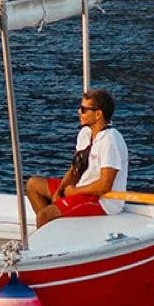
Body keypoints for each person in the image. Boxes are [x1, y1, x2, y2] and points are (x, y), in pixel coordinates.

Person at [25, 87, 128, 226]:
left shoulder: (110, 140)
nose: (79, 112)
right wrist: (60, 191)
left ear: (98, 114)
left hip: (101, 200)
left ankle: (51, 234)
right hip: (80, 190)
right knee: (33, 184)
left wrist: (74, 192)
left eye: (84, 109)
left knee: (44, 216)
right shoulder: (85, 134)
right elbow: (76, 169)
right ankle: (57, 228)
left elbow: (104, 185)